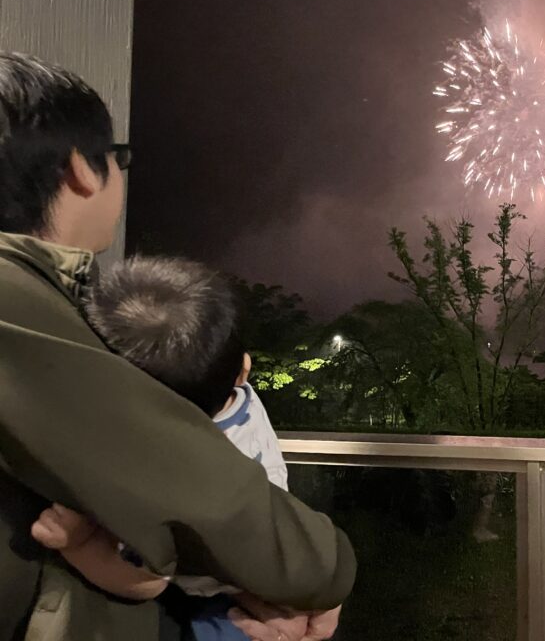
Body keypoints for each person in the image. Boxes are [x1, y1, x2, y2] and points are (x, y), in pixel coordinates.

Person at [0, 51, 356, 640]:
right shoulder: (19, 308)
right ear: (81, 171)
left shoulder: (55, 302)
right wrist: (320, 571)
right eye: (119, 159)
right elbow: (202, 494)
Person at [31, 255, 303, 640]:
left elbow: (147, 581)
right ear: (243, 369)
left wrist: (79, 545)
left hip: (220, 588)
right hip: (258, 555)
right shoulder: (235, 393)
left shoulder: (177, 473)